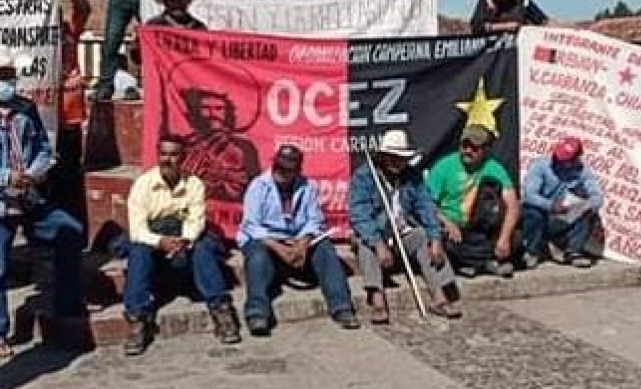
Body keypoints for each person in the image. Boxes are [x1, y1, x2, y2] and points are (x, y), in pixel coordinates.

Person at [120, 134, 240, 356]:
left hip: (183, 237)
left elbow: (196, 221)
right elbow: (137, 230)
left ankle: (221, 311)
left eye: (174, 154)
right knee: (138, 252)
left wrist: (183, 241)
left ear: (183, 158)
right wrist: (161, 242)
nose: (168, 159)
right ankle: (137, 320)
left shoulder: (194, 185)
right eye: (164, 154)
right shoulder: (143, 185)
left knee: (204, 247)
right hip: (153, 238)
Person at [0, 51, 85, 359]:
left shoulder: (25, 108)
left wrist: (34, 173)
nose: (7, 82)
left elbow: (43, 149)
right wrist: (8, 177)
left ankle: (66, 310)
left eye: (9, 74)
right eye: (1, 75)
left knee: (69, 231)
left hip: (30, 197)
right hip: (1, 201)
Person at [237, 144, 359, 336]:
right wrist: (279, 248)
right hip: (267, 239)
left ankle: (341, 307)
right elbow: (251, 225)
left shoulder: (306, 186)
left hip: (296, 237)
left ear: (297, 170)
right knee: (258, 258)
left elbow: (315, 219)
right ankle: (257, 311)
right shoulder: (259, 185)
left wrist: (303, 242)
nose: (281, 172)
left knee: (326, 250)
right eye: (278, 167)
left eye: (287, 169)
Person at [350, 130, 461, 324]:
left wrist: (435, 239)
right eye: (393, 157)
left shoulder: (412, 176)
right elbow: (360, 215)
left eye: (401, 158)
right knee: (364, 244)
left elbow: (425, 206)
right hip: (377, 234)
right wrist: (378, 244)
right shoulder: (365, 177)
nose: (397, 162)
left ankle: (439, 297)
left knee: (422, 235)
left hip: (403, 233)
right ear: (383, 156)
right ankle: (377, 301)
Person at [427, 124, 520, 278]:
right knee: (443, 242)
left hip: (481, 229)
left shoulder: (494, 168)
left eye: (475, 148)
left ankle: (472, 263)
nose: (468, 151)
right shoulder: (444, 166)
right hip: (452, 228)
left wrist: (504, 238)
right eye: (465, 146)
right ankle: (486, 263)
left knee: (516, 237)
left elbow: (513, 205)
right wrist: (447, 222)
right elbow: (427, 204)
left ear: (486, 149)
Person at [522, 137, 604, 269]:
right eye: (557, 157)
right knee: (532, 212)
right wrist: (551, 205)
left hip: (566, 216)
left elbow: (597, 196)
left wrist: (586, 205)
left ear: (576, 159)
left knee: (590, 213)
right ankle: (532, 251)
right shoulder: (540, 166)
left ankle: (573, 251)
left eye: (566, 160)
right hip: (544, 214)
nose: (559, 162)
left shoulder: (583, 172)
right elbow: (529, 195)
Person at [52, 0, 90, 219]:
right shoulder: (32, 40)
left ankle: (72, 224)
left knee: (70, 171)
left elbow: (84, 8)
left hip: (69, 116)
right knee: (47, 175)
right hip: (43, 117)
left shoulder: (69, 30)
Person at [180, 88, 261, 202]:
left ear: (227, 112)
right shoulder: (187, 145)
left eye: (218, 108)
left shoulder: (244, 146)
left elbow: (253, 184)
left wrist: (224, 175)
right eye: (206, 108)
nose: (212, 114)